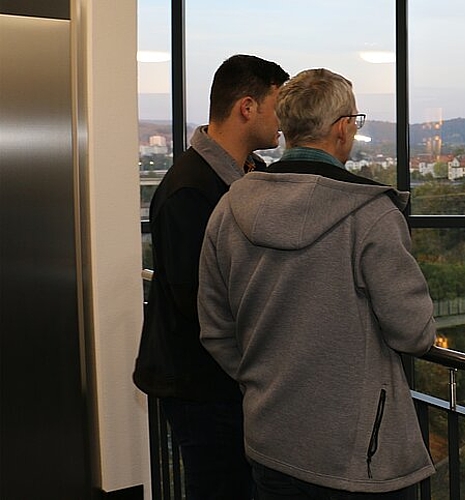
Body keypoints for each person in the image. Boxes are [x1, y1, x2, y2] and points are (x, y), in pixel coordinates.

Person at [197, 68, 437, 499]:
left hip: (271, 440)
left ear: (287, 130)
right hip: (360, 457)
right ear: (343, 128)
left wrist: (264, 381)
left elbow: (215, 328)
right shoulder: (371, 215)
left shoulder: (230, 206)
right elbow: (413, 332)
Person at [133, 54, 289, 500]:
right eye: (277, 106)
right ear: (247, 107)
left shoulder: (251, 176)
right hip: (202, 386)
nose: (283, 120)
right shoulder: (190, 190)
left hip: (230, 381)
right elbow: (199, 302)